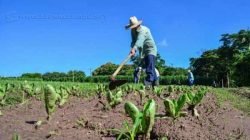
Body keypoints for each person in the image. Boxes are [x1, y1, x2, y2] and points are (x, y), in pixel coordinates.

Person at [126, 16, 158, 89]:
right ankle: (155, 83)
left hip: (150, 49)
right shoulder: (133, 31)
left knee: (150, 66)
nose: (133, 28)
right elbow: (134, 41)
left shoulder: (143, 30)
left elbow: (139, 41)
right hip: (143, 51)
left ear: (138, 25)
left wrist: (134, 49)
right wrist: (132, 49)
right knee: (149, 66)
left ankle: (148, 82)